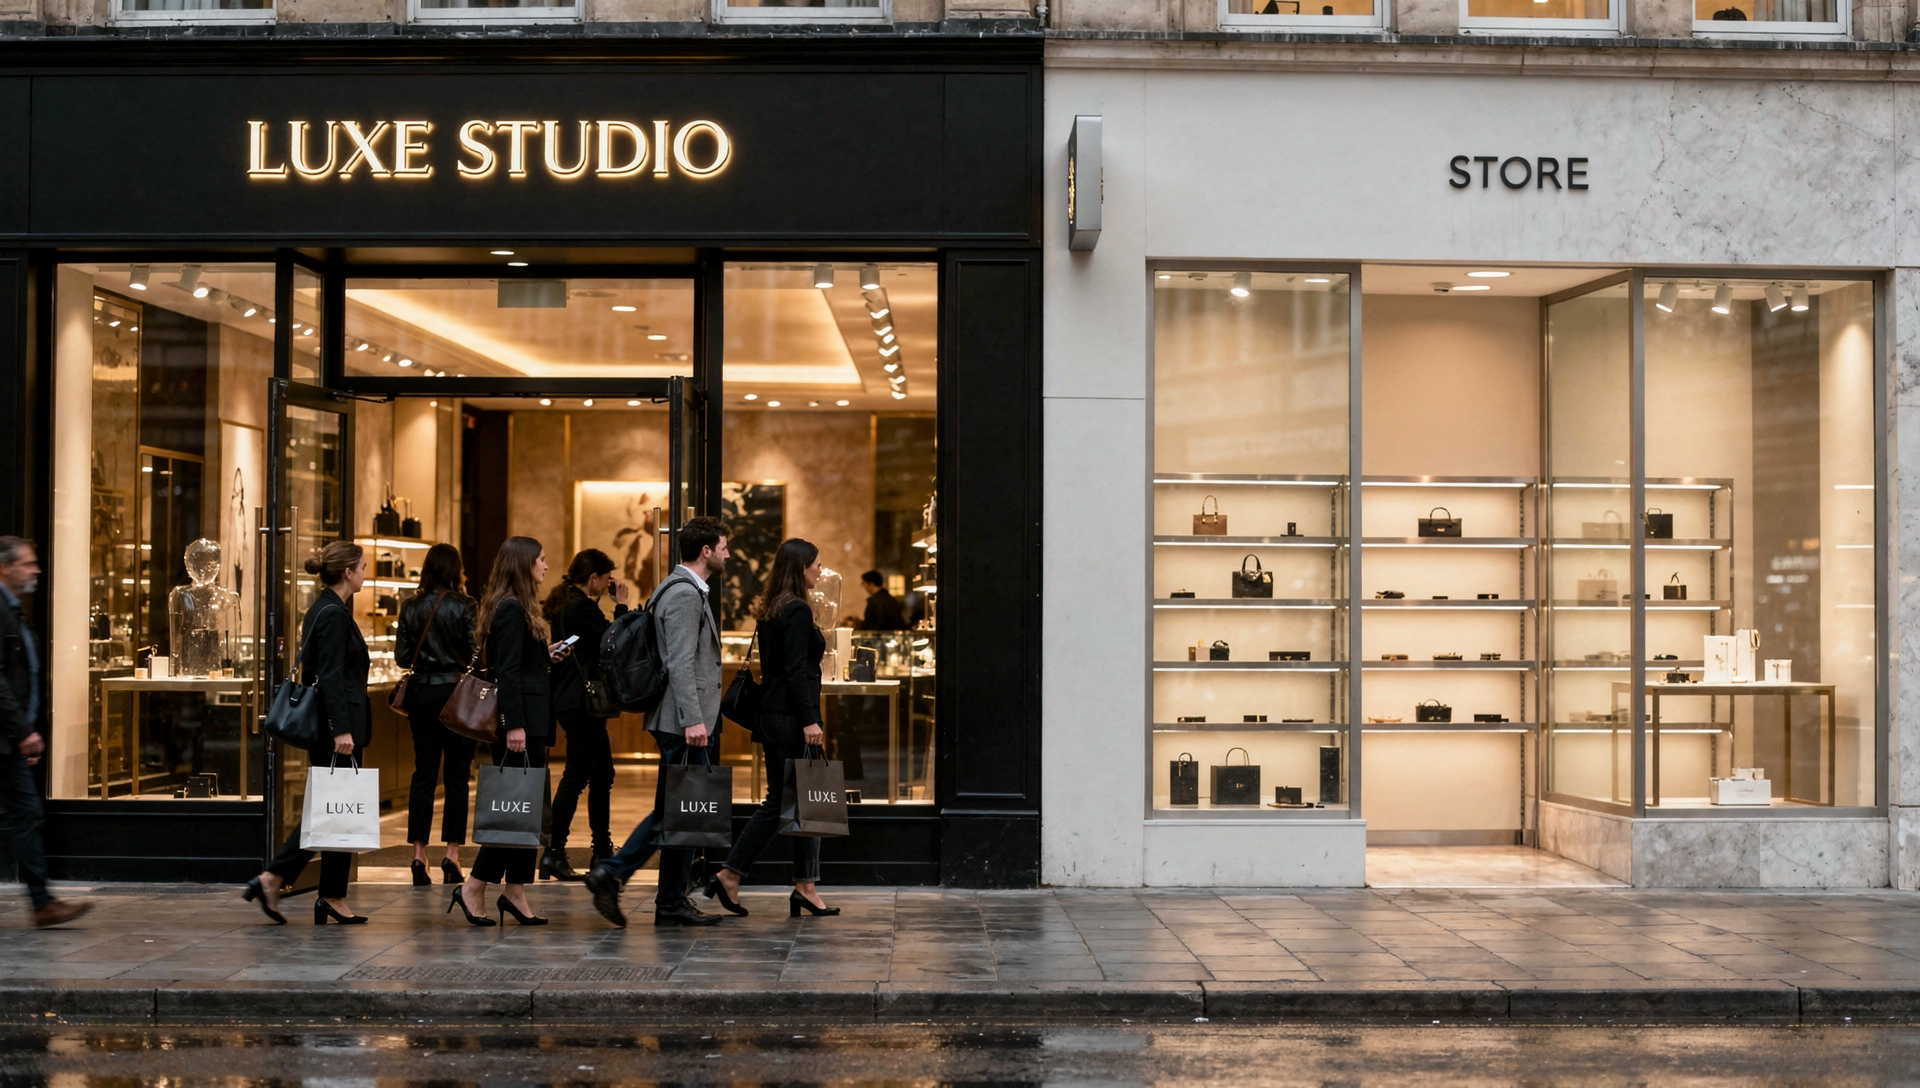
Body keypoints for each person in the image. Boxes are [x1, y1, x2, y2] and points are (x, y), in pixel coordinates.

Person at [584, 516, 730, 929]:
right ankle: (615, 874)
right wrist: (694, 720)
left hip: (680, 721)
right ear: (706, 551)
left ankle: (667, 901)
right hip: (683, 724)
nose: (727, 554)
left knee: (681, 813)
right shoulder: (684, 595)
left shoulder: (678, 589)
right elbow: (680, 663)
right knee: (677, 814)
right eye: (723, 547)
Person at [705, 537, 839, 920]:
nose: (818, 570)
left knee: (784, 801)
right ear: (800, 568)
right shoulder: (796, 610)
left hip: (772, 715)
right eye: (815, 564)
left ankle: (749, 877)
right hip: (791, 718)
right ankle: (798, 885)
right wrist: (811, 718)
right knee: (802, 799)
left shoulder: (772, 608)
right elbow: (797, 671)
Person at [244, 540, 372, 925]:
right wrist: (341, 730)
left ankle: (314, 889)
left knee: (333, 810)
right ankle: (285, 880)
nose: (366, 572)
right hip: (337, 730)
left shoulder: (325, 608)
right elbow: (329, 676)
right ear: (348, 572)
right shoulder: (332, 613)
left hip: (335, 727)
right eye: (363, 567)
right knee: (333, 809)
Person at [450, 536, 572, 928]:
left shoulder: (519, 608)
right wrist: (514, 724)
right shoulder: (510, 610)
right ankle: (474, 885)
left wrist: (545, 654)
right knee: (513, 810)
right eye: (541, 559)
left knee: (528, 809)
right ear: (523, 565)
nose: (547, 565)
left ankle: (515, 891)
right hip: (520, 726)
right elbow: (508, 673)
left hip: (531, 724)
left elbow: (521, 663)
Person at [0, 538, 87, 929]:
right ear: (5, 567)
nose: (36, 571)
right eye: (28, 564)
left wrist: (28, 731)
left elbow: (24, 678)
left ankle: (41, 902)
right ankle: (42, 902)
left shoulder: (14, 611)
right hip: (6, 737)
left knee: (25, 813)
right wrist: (23, 732)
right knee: (27, 813)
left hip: (12, 738)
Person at [537, 549, 629, 882]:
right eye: (606, 579)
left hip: (573, 699)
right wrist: (620, 604)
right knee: (577, 776)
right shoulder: (581, 607)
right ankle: (554, 852)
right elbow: (616, 639)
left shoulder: (567, 604)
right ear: (594, 579)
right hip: (580, 701)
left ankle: (601, 849)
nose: (608, 585)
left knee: (602, 773)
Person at [394, 543, 477, 888]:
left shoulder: (410, 606)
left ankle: (417, 854)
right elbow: (476, 650)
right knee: (457, 776)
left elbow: (402, 656)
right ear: (454, 569)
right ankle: (452, 856)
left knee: (423, 772)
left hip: (422, 695)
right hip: (456, 695)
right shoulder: (465, 605)